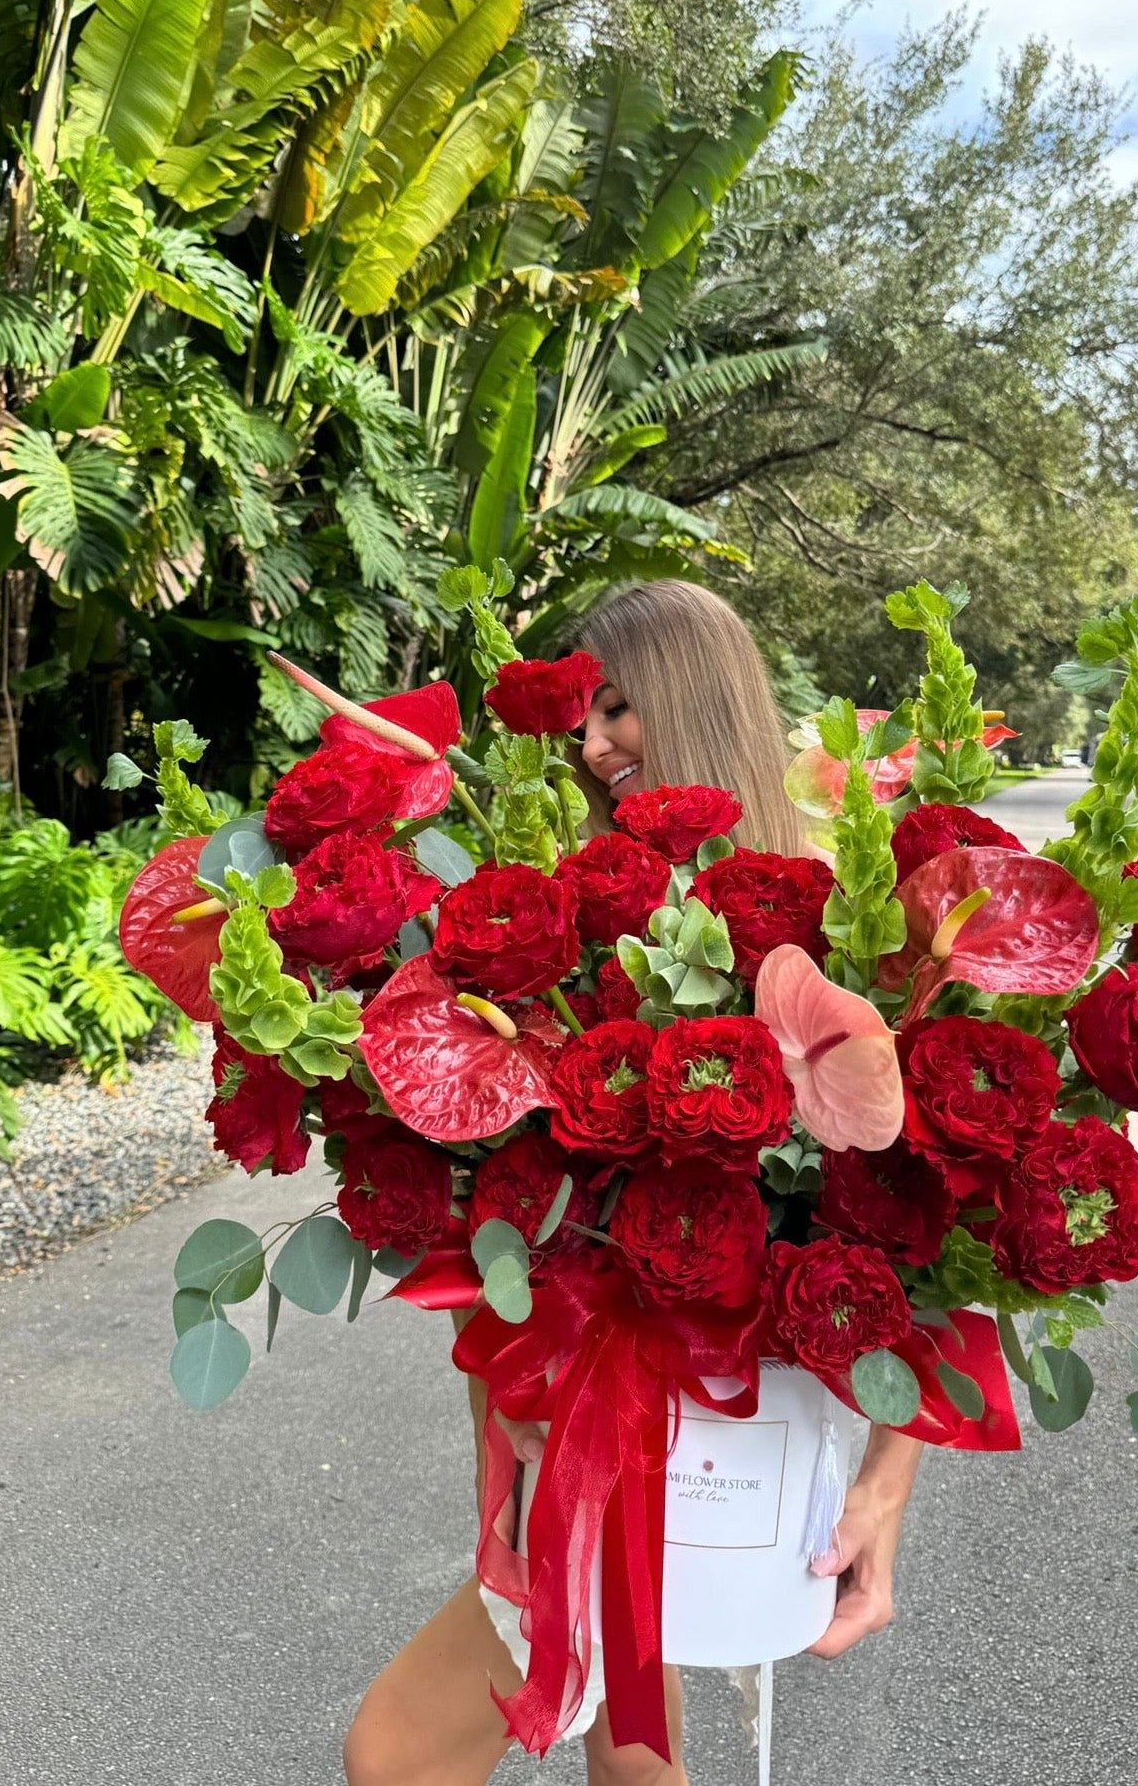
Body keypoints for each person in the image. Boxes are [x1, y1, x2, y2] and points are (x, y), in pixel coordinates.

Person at [342, 580, 923, 1786]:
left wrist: (884, 1484)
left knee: (393, 1758)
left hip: (662, 1428)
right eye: (578, 715)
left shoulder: (822, 917)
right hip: (566, 1403)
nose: (591, 741)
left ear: (696, 703)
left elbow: (921, 1242)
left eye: (618, 707)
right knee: (633, 1747)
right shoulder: (566, 893)